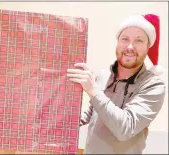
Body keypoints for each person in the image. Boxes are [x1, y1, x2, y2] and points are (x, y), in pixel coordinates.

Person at [66, 14, 166, 154]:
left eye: (139, 40)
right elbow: (93, 113)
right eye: (125, 39)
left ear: (148, 47)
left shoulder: (154, 86)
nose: (130, 46)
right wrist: (63, 118)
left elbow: (125, 129)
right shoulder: (103, 76)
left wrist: (93, 90)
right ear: (118, 42)